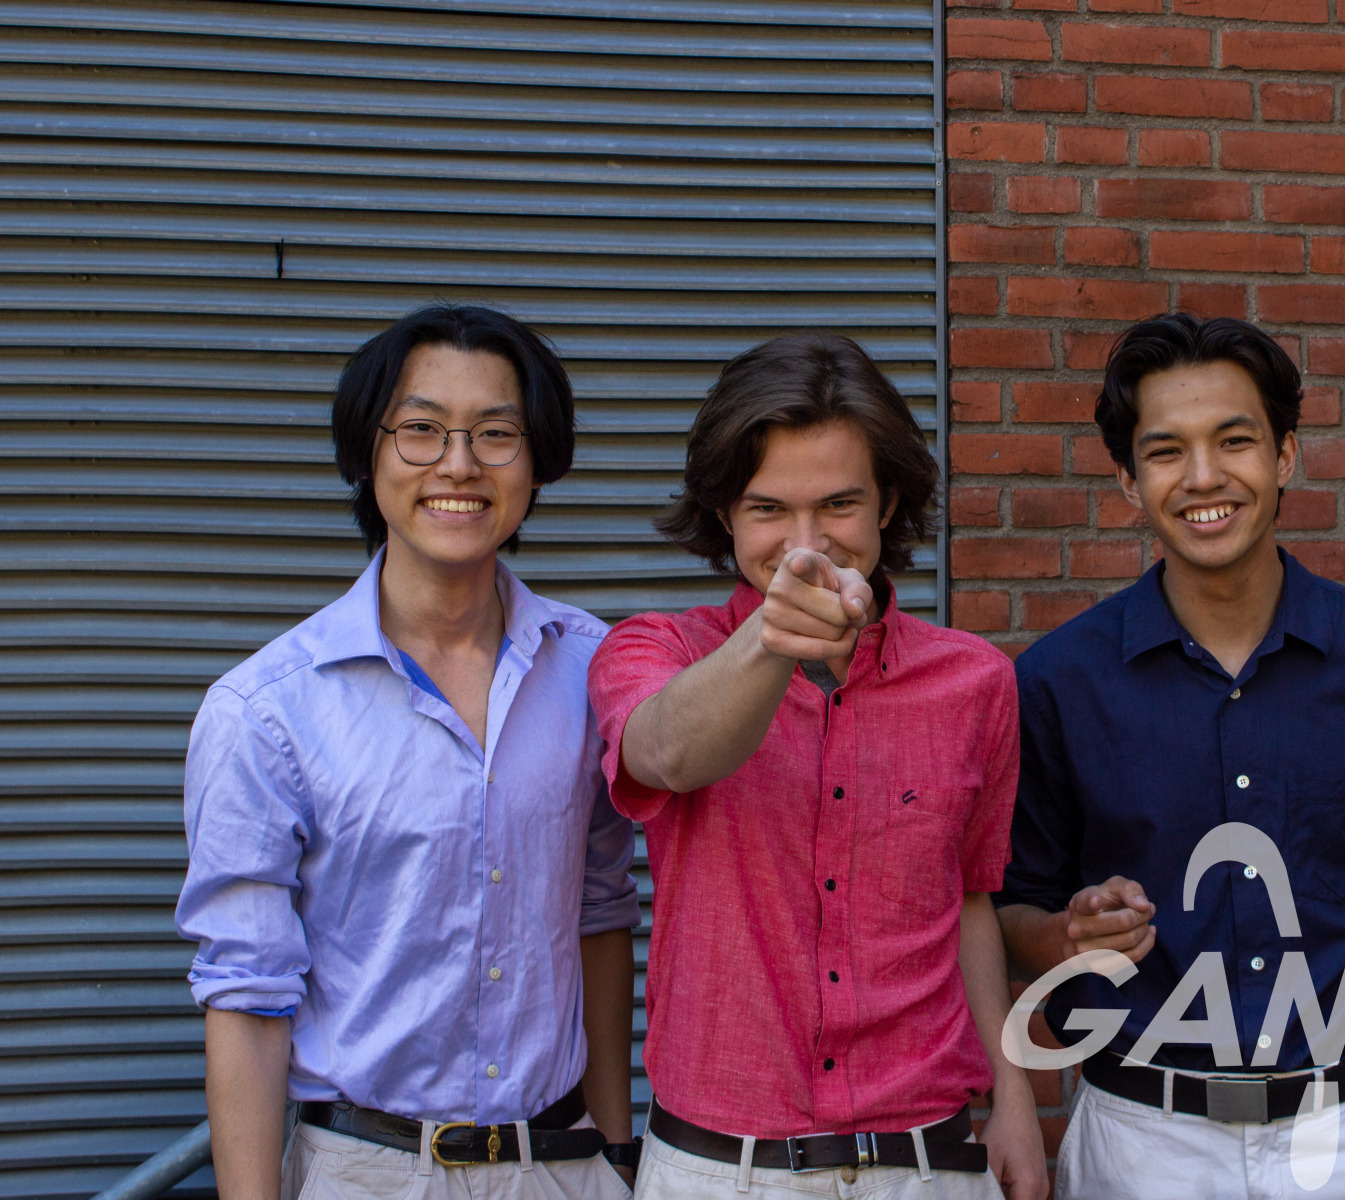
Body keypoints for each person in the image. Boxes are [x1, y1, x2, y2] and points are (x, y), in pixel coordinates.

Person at [995, 313, 1345, 1200]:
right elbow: (1010, 906)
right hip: (1141, 1145)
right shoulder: (1055, 682)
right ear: (1127, 480)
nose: (1203, 477)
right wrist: (1068, 934)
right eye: (1165, 451)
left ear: (1284, 456)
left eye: (1233, 441)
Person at [176, 304, 640, 1200]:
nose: (458, 465)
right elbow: (246, 996)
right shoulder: (268, 710)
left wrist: (617, 1153)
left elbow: (600, 913)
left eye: (495, 433)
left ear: (537, 460)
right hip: (366, 1170)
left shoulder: (593, 671)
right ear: (368, 452)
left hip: (562, 1165)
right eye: (421, 429)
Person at [586, 332, 1047, 1200]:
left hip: (925, 1164)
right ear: (724, 512)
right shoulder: (654, 649)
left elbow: (967, 901)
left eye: (838, 504)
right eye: (768, 509)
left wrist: (1013, 1096)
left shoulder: (976, 682)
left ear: (888, 503)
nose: (806, 544)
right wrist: (774, 638)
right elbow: (666, 753)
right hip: (719, 1171)